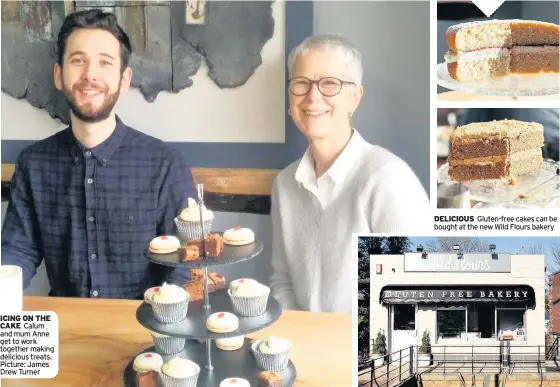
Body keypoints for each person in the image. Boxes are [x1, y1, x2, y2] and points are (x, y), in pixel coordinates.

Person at [1, 9, 195, 299]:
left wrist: (166, 314)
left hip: (145, 327)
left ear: (124, 78)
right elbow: (18, 250)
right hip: (64, 330)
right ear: (58, 75)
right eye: (78, 60)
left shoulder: (165, 165)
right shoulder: (33, 164)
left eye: (105, 62)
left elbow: (185, 261)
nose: (90, 75)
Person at [269, 35, 430, 313]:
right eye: (301, 83)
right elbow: (282, 282)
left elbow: (415, 295)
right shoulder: (284, 184)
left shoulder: (388, 180)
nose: (313, 96)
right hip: (302, 348)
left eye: (329, 84)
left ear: (355, 97)